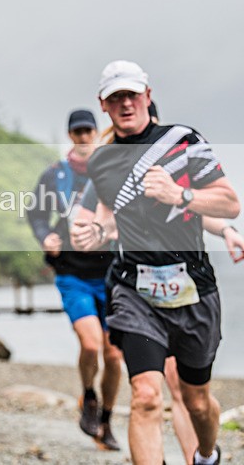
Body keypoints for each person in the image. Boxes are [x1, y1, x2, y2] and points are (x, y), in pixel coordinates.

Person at [71, 60, 240, 465]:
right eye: (116, 98)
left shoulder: (184, 141)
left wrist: (181, 196)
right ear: (104, 106)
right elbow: (107, 218)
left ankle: (205, 455)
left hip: (194, 289)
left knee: (197, 401)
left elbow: (229, 202)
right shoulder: (101, 161)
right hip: (135, 291)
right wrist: (91, 232)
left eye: (131, 94)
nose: (125, 103)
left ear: (147, 95)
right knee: (146, 395)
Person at [26, 108, 122, 450]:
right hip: (72, 274)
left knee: (114, 356)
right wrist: (45, 237)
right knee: (92, 344)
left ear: (96, 133)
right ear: (71, 136)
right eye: (77, 132)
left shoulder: (111, 173)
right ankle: (88, 394)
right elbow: (35, 212)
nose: (83, 137)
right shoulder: (55, 175)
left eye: (88, 131)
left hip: (111, 274)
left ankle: (106, 419)